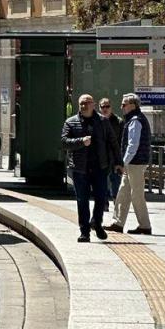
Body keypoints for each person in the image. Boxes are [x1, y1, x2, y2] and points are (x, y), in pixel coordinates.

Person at [61, 94, 120, 243]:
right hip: (80, 169)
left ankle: (96, 222)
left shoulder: (103, 121)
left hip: (100, 167)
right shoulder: (71, 122)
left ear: (93, 104)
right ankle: (84, 232)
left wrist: (118, 162)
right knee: (82, 200)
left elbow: (113, 142)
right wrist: (81, 141)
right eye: (81, 103)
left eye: (87, 103)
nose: (84, 106)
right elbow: (64, 142)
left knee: (101, 197)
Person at [105, 93, 153, 234]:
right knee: (123, 193)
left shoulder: (135, 120)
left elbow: (133, 145)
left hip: (135, 163)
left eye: (124, 104)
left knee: (136, 194)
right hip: (134, 163)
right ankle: (118, 223)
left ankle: (145, 225)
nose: (121, 107)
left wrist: (123, 163)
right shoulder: (134, 119)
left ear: (133, 105)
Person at [98, 97, 123, 209]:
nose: (105, 109)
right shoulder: (96, 121)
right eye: (103, 107)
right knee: (102, 182)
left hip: (114, 157)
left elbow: (122, 141)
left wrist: (120, 159)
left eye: (107, 106)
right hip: (101, 157)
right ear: (99, 108)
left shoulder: (118, 122)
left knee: (115, 182)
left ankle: (116, 204)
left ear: (111, 108)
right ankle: (104, 204)